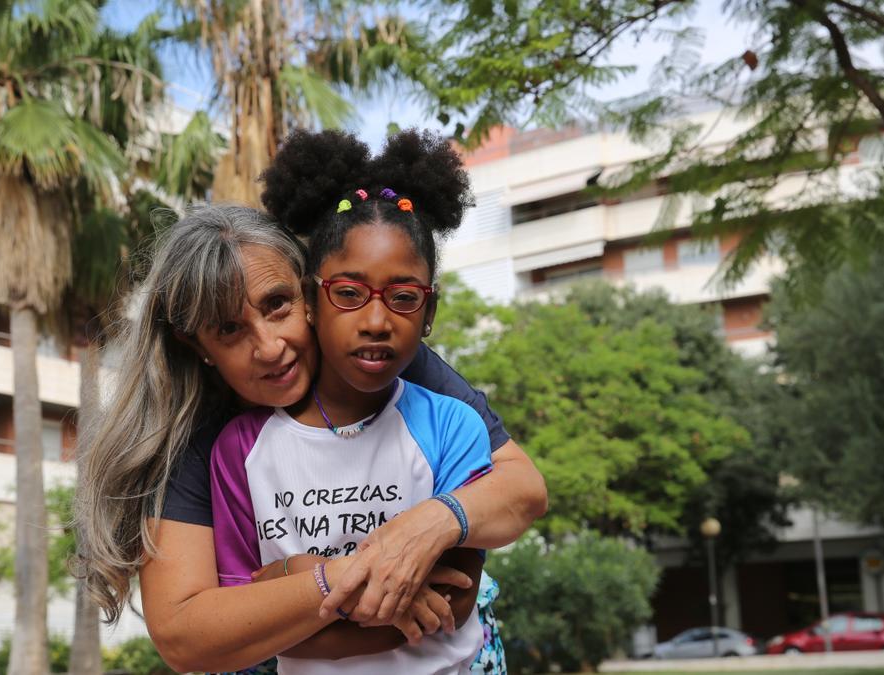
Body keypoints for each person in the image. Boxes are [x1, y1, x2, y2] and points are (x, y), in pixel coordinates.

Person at [75, 137, 546, 674]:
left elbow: (520, 489)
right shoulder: (202, 437)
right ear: (195, 345)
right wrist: (337, 576)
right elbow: (187, 634)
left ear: (308, 295)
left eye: (277, 306)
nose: (270, 346)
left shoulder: (380, 356)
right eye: (228, 329)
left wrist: (431, 524)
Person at [209, 128, 492, 674]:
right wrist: (389, 594)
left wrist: (294, 580)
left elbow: (454, 602)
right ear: (311, 301)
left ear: (429, 313)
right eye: (349, 293)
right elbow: (245, 616)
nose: (377, 321)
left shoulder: (452, 426)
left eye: (404, 297)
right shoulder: (239, 448)